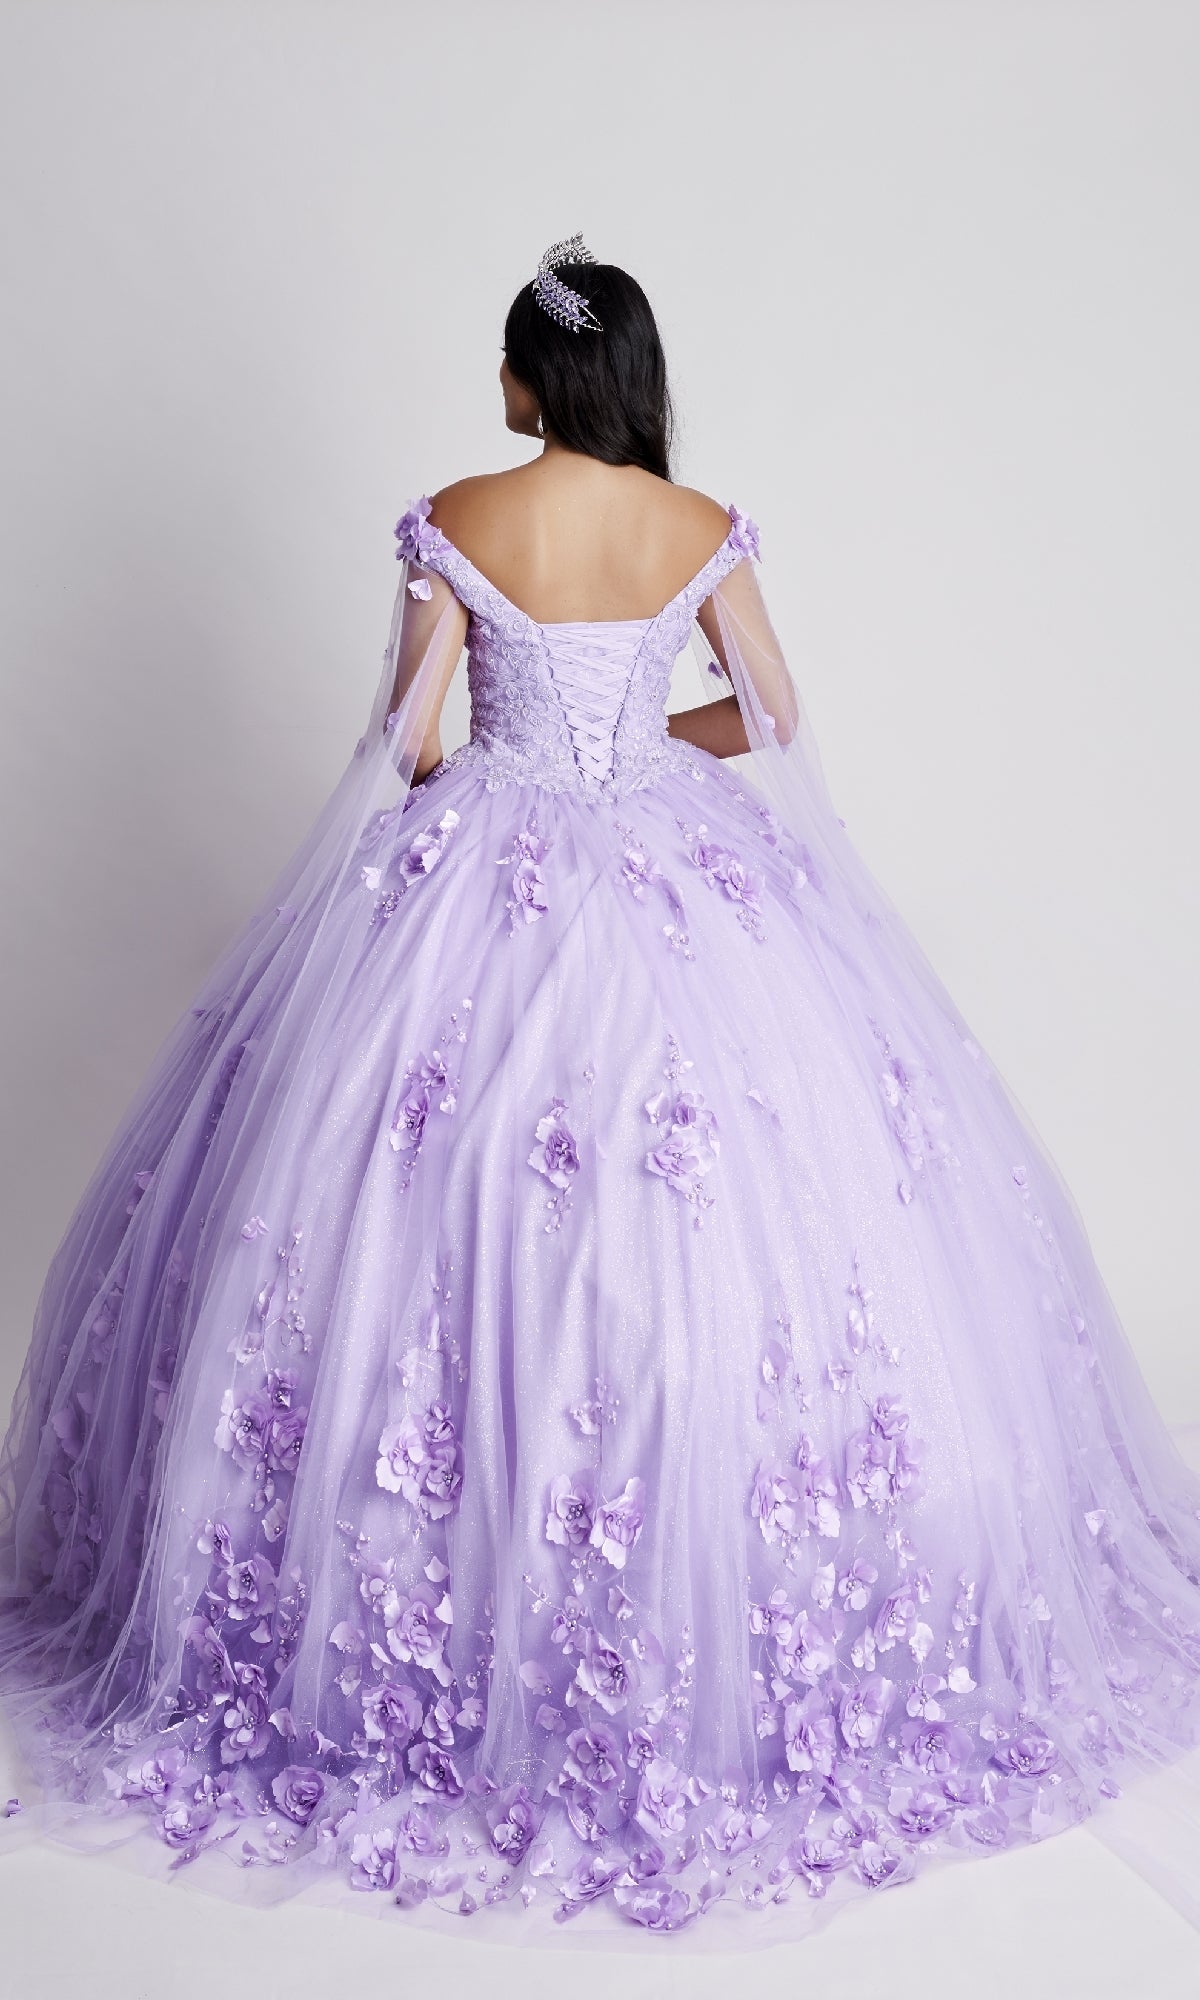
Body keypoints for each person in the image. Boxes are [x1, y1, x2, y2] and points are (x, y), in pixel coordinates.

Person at [1, 233, 1199, 1945]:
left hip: (474, 880)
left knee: (434, 1215)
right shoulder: (696, 526)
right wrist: (646, 748)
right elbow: (775, 716)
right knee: (711, 1221)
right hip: (674, 877)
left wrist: (502, 755)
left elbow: (402, 749)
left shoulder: (457, 519)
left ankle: (452, 1578)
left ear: (524, 377)